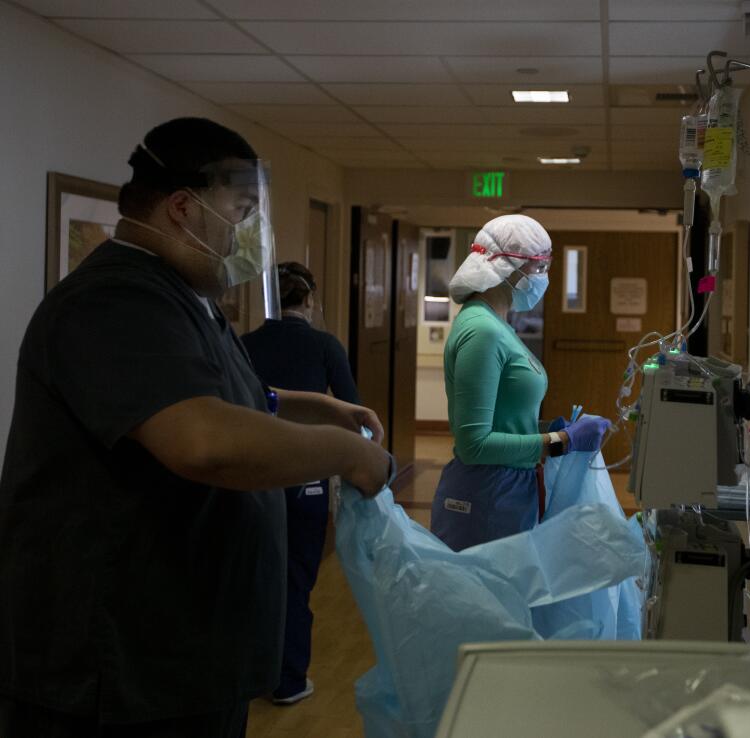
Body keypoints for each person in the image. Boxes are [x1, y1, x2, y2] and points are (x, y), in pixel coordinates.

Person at [0, 118, 393, 738]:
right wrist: (346, 453)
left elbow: (221, 393)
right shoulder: (115, 302)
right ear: (183, 207)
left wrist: (311, 406)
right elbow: (203, 441)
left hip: (188, 664)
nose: (257, 234)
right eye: (242, 210)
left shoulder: (185, 298)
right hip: (120, 679)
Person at [431, 214, 611, 551]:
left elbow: (501, 415)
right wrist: (560, 441)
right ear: (509, 269)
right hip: (485, 496)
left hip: (507, 489)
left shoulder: (498, 326)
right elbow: (474, 443)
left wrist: (542, 426)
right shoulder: (481, 331)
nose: (544, 278)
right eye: (539, 268)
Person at [241, 262, 359, 706]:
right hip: (304, 478)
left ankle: (249, 676)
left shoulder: (243, 344)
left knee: (252, 577)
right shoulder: (324, 346)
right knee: (295, 581)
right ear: (309, 300)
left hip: (250, 473)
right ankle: (289, 680)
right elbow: (353, 411)